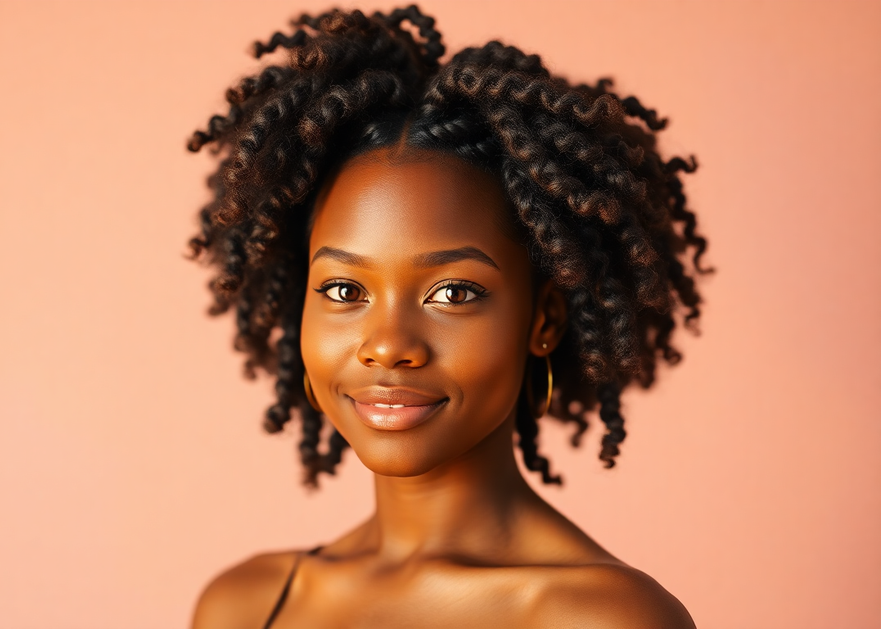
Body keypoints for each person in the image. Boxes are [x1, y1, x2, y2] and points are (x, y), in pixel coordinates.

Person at [186, 6, 708, 628]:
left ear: (543, 321)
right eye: (345, 290)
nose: (387, 345)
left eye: (453, 293)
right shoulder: (244, 606)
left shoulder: (602, 618)